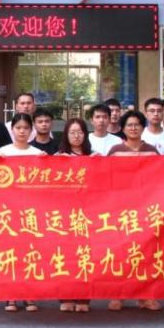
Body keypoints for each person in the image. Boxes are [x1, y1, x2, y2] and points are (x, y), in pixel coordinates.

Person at [107, 110, 160, 311]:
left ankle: (145, 296)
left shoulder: (152, 151)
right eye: (129, 125)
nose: (133, 128)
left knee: (146, 253)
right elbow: (105, 177)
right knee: (120, 253)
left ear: (143, 127)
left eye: (137, 124)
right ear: (123, 128)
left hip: (146, 209)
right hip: (121, 210)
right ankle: (118, 295)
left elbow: (163, 176)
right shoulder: (115, 151)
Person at [0, 113, 45, 312]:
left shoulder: (38, 153)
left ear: (31, 130)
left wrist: (47, 162)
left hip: (32, 212)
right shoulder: (3, 152)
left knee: (31, 252)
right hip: (9, 211)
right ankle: (11, 296)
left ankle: (30, 295)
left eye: (26, 128)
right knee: (11, 253)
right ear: (12, 130)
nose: (22, 131)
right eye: (18, 128)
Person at [55, 117, 93, 312]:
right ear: (66, 135)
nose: (76, 136)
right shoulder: (58, 157)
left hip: (88, 214)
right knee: (65, 256)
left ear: (85, 135)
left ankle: (84, 298)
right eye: (72, 132)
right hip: (64, 215)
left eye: (80, 132)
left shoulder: (94, 157)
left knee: (85, 256)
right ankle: (65, 297)